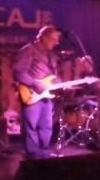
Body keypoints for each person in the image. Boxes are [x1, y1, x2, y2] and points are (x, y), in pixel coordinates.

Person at [13, 25, 63, 158]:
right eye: (53, 39)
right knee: (31, 126)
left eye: (57, 40)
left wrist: (60, 82)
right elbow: (19, 72)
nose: (56, 43)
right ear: (43, 38)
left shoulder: (51, 55)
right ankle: (33, 155)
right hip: (32, 94)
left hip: (46, 95)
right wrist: (35, 84)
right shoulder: (28, 50)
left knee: (46, 126)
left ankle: (44, 154)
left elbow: (53, 75)